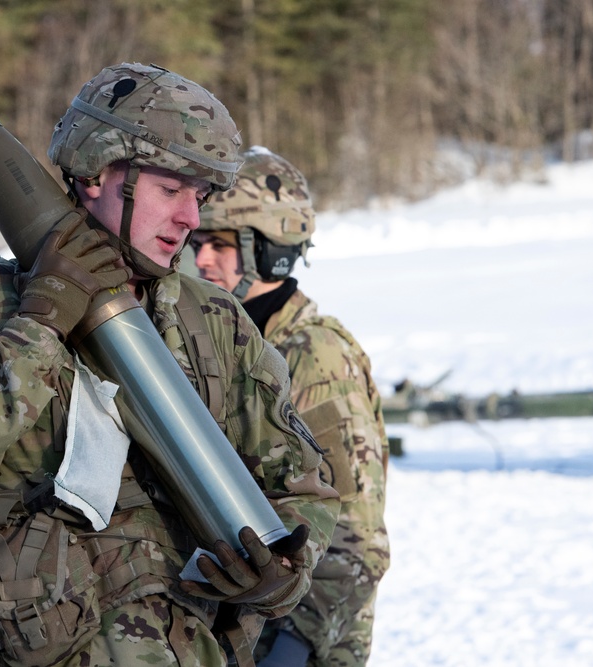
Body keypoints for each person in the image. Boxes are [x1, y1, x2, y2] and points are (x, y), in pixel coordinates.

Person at [0, 63, 340, 667]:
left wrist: (284, 568)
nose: (191, 219)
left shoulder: (214, 319)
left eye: (201, 196)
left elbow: (303, 484)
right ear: (95, 172)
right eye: (172, 191)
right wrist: (38, 325)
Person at [191, 147, 390, 667]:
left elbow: (354, 535)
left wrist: (293, 648)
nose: (202, 258)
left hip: (298, 643)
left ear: (269, 250)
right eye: (197, 241)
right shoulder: (230, 344)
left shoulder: (312, 355)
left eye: (220, 243)